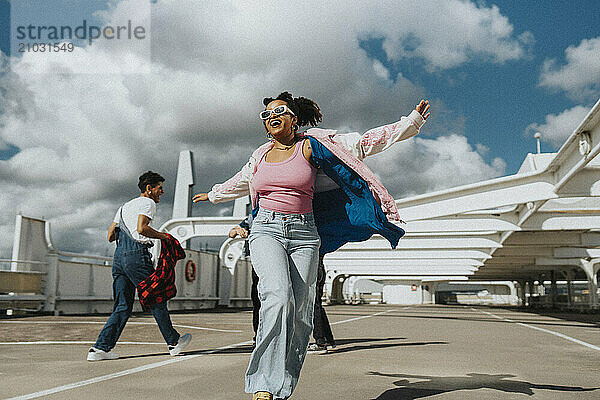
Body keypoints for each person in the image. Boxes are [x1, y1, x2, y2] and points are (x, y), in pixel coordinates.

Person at [194, 92, 429, 400]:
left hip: (305, 233)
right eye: (266, 115)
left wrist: (409, 123)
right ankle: (263, 384)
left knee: (302, 311)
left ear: (293, 118)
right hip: (266, 229)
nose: (271, 117)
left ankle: (283, 387)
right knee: (277, 297)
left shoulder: (314, 145)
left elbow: (367, 142)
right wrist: (213, 195)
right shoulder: (260, 155)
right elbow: (241, 180)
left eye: (279, 111)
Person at [87, 171, 191, 361]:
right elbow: (142, 228)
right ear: (149, 189)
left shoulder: (123, 207)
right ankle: (174, 342)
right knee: (156, 297)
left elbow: (110, 236)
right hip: (136, 256)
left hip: (119, 257)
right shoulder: (148, 203)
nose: (162, 191)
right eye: (160, 188)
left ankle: (100, 349)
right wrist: (165, 236)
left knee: (122, 305)